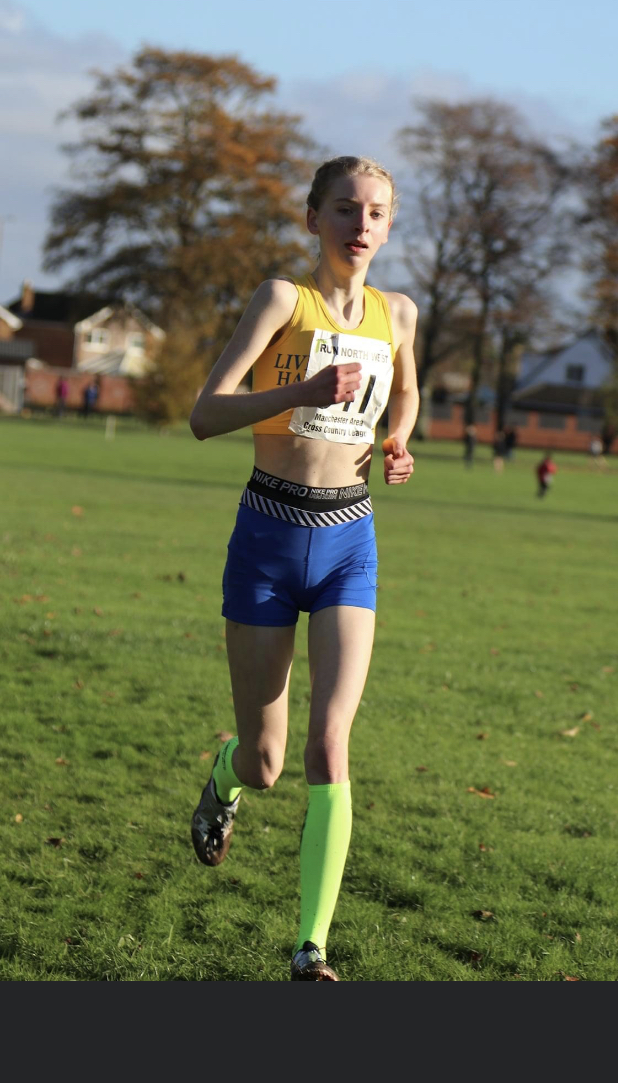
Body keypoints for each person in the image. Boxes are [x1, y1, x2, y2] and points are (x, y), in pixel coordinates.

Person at [188, 156, 418, 982]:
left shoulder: (398, 313)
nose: (362, 225)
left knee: (330, 746)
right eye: (346, 209)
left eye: (377, 212)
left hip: (350, 542)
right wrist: (301, 392)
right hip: (268, 539)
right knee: (268, 762)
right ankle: (227, 774)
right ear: (314, 218)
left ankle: (310, 948)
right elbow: (204, 415)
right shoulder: (283, 301)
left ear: (389, 226)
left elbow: (405, 395)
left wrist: (399, 441)